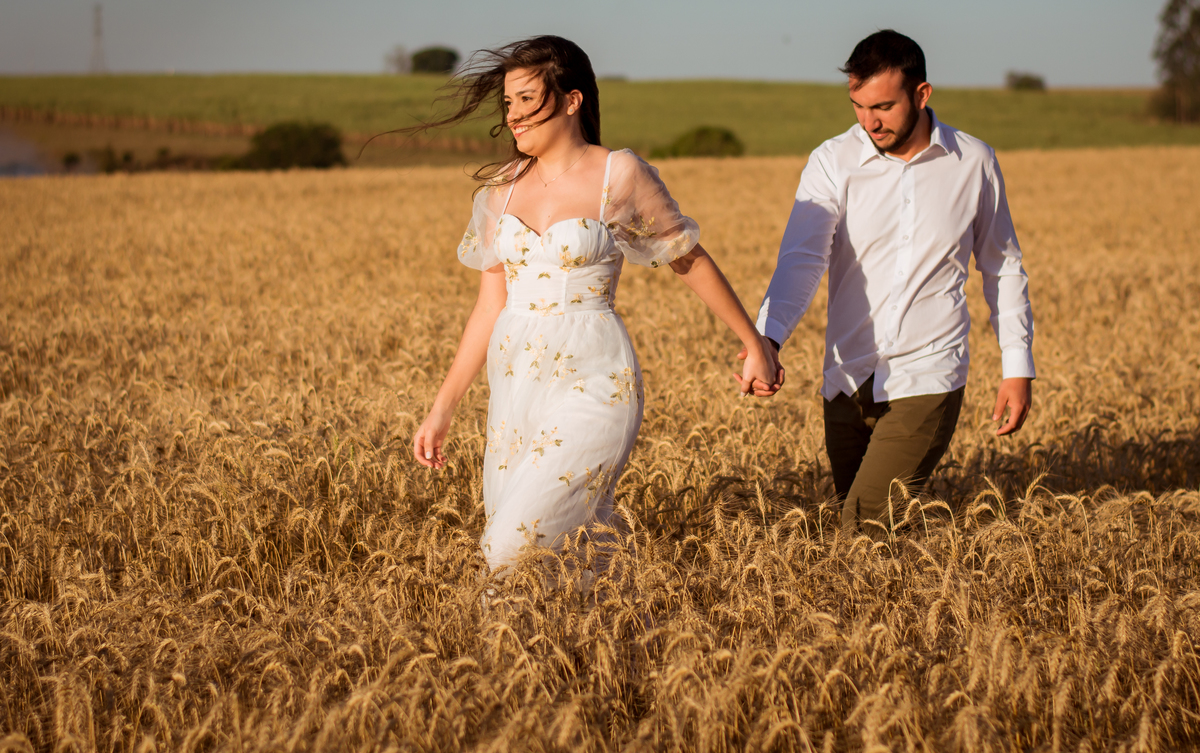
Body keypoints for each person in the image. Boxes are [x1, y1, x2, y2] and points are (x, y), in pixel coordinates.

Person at [412, 36, 780, 576]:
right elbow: (489, 305)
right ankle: (597, 649)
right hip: (515, 385)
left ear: (571, 100)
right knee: (557, 555)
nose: (513, 116)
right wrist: (442, 408)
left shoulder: (619, 174)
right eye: (508, 103)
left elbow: (688, 259)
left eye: (526, 99)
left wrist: (756, 346)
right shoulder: (499, 190)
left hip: (597, 377)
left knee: (509, 548)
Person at [748, 29, 1035, 532]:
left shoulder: (974, 163)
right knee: (871, 543)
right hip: (845, 379)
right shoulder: (832, 162)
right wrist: (766, 339)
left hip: (928, 372)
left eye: (882, 106)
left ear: (921, 94)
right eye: (857, 105)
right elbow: (802, 259)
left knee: (860, 531)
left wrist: (1018, 366)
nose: (868, 120)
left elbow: (1001, 266)